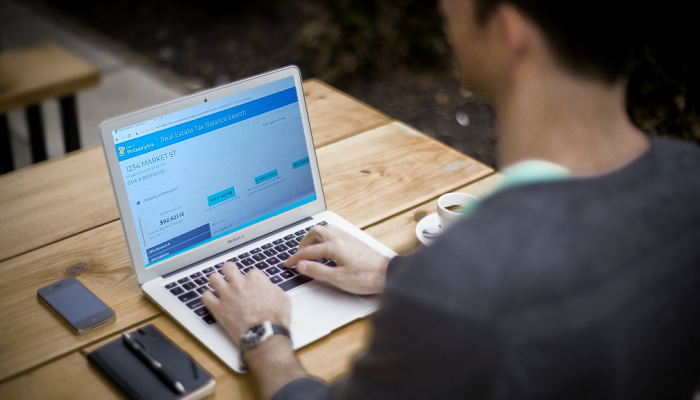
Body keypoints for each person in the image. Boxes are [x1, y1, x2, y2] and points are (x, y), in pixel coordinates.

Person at [202, 0, 700, 398]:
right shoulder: (688, 182)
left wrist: (263, 335)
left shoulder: (461, 286)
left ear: (510, 30)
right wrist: (394, 272)